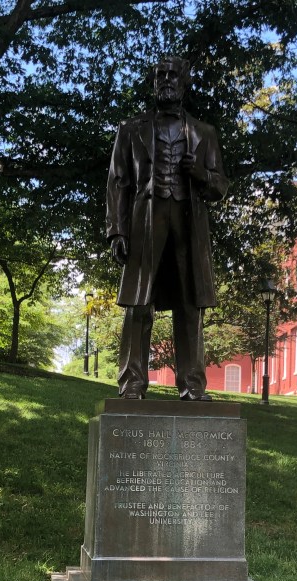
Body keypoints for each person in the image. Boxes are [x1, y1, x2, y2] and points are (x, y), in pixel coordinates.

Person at [106, 56, 229, 400]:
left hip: (189, 224)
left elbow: (220, 186)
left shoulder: (205, 133)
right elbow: (118, 181)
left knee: (190, 304)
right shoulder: (131, 129)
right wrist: (117, 230)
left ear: (185, 82)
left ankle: (192, 384)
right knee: (138, 303)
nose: (166, 80)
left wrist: (201, 174)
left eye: (173, 75)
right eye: (160, 75)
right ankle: (132, 382)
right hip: (145, 220)